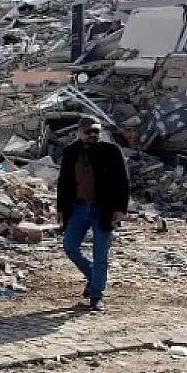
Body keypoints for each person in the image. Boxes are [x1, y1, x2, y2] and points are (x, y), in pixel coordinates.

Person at [55, 116, 130, 312]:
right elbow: (64, 182)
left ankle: (96, 296)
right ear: (79, 132)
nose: (92, 135)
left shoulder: (111, 151)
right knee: (70, 247)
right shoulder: (71, 152)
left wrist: (120, 209)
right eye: (88, 132)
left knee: (101, 255)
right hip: (78, 208)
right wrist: (61, 209)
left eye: (95, 131)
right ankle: (93, 276)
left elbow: (123, 181)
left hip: (103, 208)